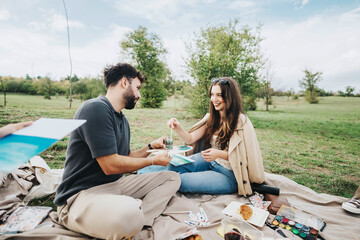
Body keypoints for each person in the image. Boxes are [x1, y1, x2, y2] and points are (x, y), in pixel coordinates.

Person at [54, 63, 181, 240]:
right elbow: (110, 165)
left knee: (171, 177)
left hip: (115, 186)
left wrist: (150, 148)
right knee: (129, 213)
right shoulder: (95, 108)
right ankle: (131, 215)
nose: (139, 95)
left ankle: (138, 221)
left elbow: (125, 157)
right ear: (124, 82)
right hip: (82, 195)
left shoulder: (122, 120)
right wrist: (153, 161)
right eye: (137, 88)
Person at [167, 77, 265, 196]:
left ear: (229, 97)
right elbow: (190, 139)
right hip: (210, 161)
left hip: (229, 174)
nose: (214, 99)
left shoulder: (241, 121)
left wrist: (219, 154)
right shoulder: (212, 118)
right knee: (174, 164)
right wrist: (178, 127)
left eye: (219, 95)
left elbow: (246, 156)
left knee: (180, 181)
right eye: (212, 95)